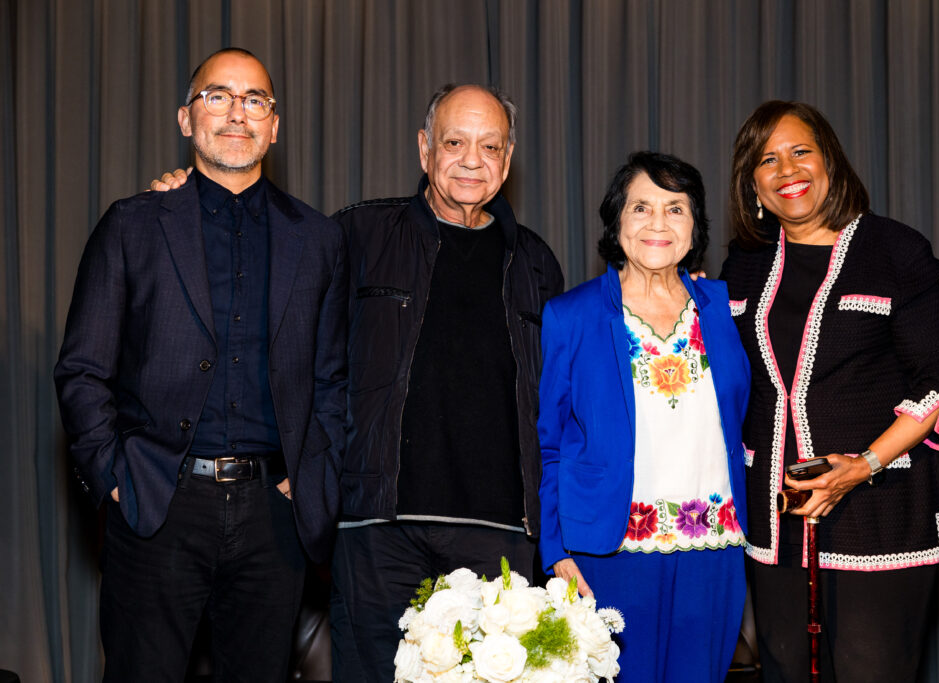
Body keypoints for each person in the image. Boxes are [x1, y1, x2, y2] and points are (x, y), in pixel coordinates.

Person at [54, 48, 345, 682]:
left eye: (254, 100)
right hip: (157, 501)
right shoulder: (131, 226)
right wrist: (114, 474)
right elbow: (82, 369)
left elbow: (331, 379)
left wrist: (312, 475)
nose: (237, 113)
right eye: (218, 96)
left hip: (274, 516)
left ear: (275, 124)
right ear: (187, 119)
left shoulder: (319, 240)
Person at [720, 100, 939, 682]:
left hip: (878, 511)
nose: (787, 169)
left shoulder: (894, 251)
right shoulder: (744, 264)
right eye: (767, 160)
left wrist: (864, 464)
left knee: (870, 670)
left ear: (830, 160)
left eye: (800, 151)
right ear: (753, 184)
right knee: (784, 669)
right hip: (775, 518)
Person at [328, 84, 563, 681]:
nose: (471, 160)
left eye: (490, 146)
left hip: (499, 536)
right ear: (425, 149)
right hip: (378, 526)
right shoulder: (358, 235)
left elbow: (561, 402)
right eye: (455, 142)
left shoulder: (536, 262)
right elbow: (298, 350)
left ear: (508, 161)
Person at [538, 151, 751, 682]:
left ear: (694, 226)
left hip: (714, 547)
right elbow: (545, 441)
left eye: (675, 209)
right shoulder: (571, 315)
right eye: (641, 207)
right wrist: (554, 548)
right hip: (608, 551)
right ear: (617, 221)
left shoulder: (724, 308)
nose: (658, 223)